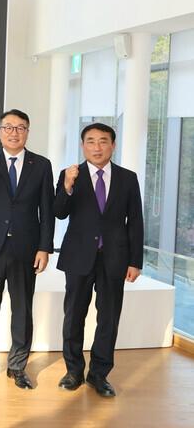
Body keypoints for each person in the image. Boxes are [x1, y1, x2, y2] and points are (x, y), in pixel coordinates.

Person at [55, 123, 143, 398]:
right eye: (91, 141)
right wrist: (67, 186)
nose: (97, 147)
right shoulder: (70, 175)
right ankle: (73, 371)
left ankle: (99, 374)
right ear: (82, 146)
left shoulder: (128, 178)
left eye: (103, 141)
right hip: (79, 257)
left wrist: (135, 261)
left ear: (112, 145)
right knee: (74, 316)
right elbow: (59, 212)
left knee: (109, 318)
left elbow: (135, 222)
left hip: (114, 258)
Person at [0, 109, 54, 389]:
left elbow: (47, 210)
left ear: (27, 132)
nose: (14, 132)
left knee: (22, 310)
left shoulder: (41, 165)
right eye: (8, 127)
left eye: (20, 127)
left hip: (26, 247)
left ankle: (17, 366)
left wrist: (44, 248)